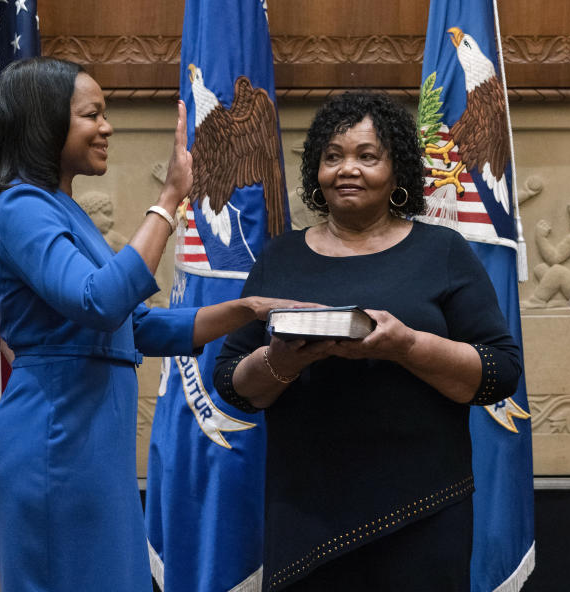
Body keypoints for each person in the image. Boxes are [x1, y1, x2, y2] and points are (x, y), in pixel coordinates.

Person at [0, 57, 301, 591]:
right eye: (91, 115)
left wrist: (248, 309)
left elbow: (140, 325)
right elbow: (99, 301)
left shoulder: (60, 206)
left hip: (92, 438)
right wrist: (168, 201)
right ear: (45, 122)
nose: (107, 127)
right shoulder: (20, 207)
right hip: (57, 437)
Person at [212, 92, 522, 591]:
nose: (346, 169)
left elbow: (500, 372)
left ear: (397, 170)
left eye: (366, 156)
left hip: (422, 508)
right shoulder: (280, 257)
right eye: (332, 156)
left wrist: (405, 346)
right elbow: (230, 383)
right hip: (305, 511)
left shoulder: (442, 251)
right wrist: (281, 360)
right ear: (316, 170)